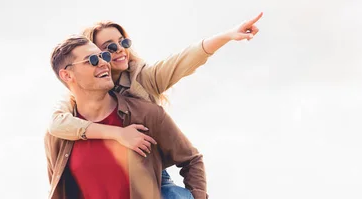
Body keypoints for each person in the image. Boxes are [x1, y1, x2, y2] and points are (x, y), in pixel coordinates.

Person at [48, 12, 263, 198]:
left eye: (124, 42)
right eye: (108, 49)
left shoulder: (144, 80)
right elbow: (56, 126)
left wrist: (227, 35)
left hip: (155, 169)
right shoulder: (71, 111)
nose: (119, 50)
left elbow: (185, 60)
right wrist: (117, 134)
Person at [44, 35, 206, 199]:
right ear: (67, 75)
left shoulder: (146, 115)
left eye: (103, 56)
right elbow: (58, 187)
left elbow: (191, 160)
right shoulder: (57, 135)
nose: (103, 63)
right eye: (91, 60)